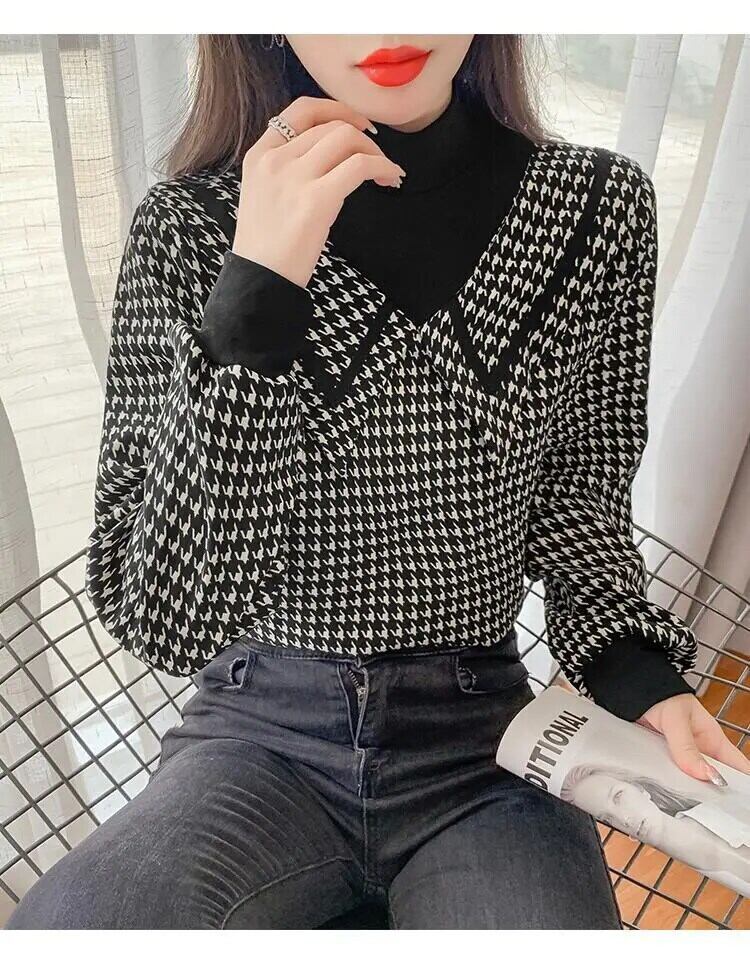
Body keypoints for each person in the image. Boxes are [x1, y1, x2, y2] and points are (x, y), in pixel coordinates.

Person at [7, 34, 750, 930]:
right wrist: (260, 280)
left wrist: (638, 674)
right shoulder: (187, 226)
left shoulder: (596, 208)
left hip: (480, 740)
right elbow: (164, 621)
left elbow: (578, 496)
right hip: (257, 736)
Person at [561, 764, 750, 896]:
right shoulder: (679, 890)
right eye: (607, 819)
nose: (624, 820)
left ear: (640, 788)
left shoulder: (734, 807)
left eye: (618, 797)